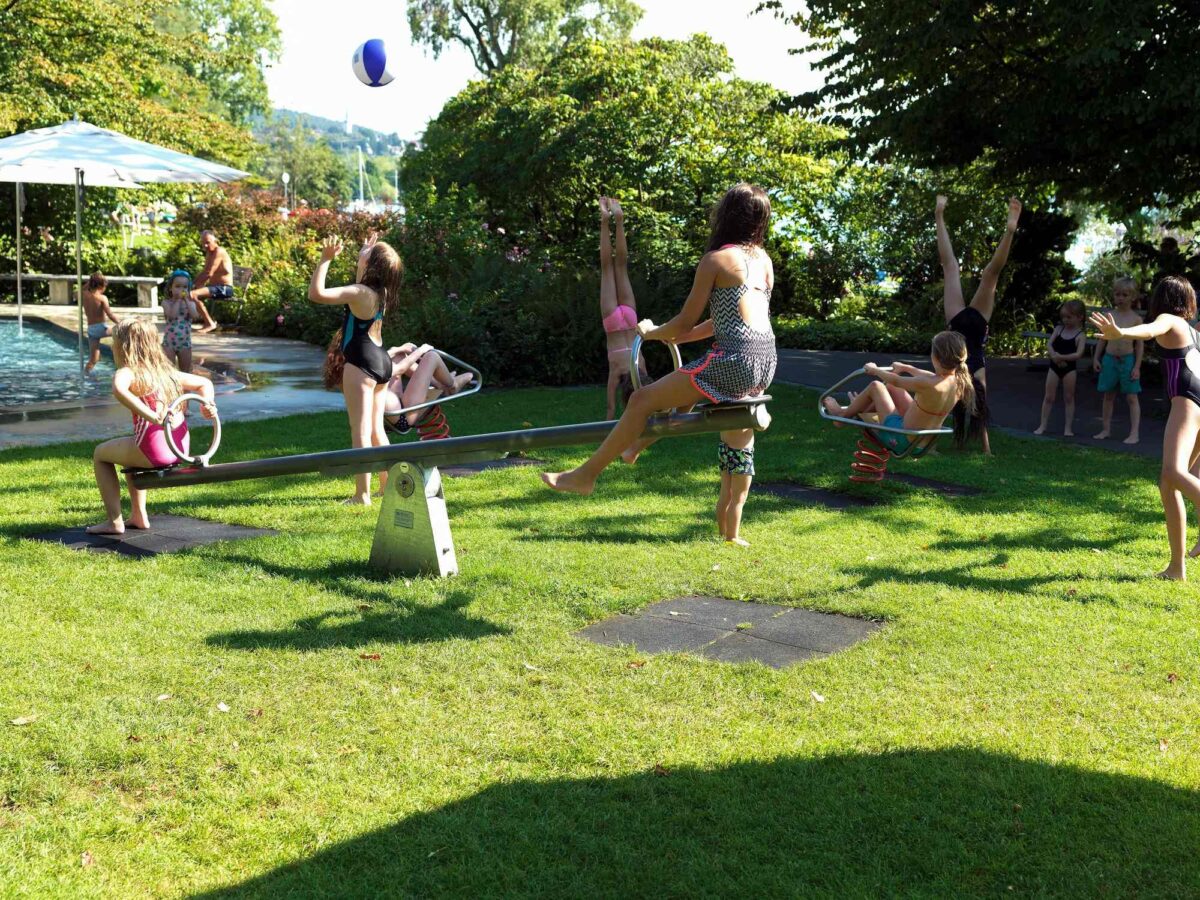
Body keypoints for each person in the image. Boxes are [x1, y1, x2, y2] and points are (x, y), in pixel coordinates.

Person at [543, 183, 777, 497]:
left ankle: (584, 476)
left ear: (726, 215)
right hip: (765, 364)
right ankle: (635, 447)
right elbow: (722, 321)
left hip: (734, 362)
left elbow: (682, 322)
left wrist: (652, 332)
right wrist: (679, 339)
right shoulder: (764, 262)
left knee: (641, 400)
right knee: (687, 393)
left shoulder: (716, 260)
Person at [1090, 276, 1200, 580]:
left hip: (1187, 402)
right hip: (1198, 403)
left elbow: (1150, 330)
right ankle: (1176, 568)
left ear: (1160, 301)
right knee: (1169, 484)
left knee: (1174, 473)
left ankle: (1178, 565)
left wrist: (1121, 331)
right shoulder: (1193, 331)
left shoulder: (1170, 319)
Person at [87, 319, 216, 535]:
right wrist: (207, 405)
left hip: (153, 449)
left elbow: (119, 389)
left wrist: (151, 416)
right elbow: (205, 383)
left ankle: (114, 522)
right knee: (127, 450)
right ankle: (138, 516)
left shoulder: (129, 372)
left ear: (123, 346)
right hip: (179, 448)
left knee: (100, 454)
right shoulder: (166, 372)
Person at [311, 232, 404, 505]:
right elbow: (362, 278)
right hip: (381, 362)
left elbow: (316, 294)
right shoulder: (380, 293)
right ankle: (387, 487)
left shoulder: (359, 292)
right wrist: (366, 253)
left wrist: (325, 260)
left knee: (360, 431)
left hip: (361, 365)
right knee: (377, 430)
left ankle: (361, 495)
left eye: (366, 256)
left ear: (372, 267)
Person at [936, 194, 1022, 454]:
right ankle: (1009, 231)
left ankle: (940, 216)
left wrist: (940, 215)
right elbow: (979, 406)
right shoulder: (969, 373)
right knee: (987, 274)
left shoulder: (954, 372)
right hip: (970, 332)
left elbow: (942, 407)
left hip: (961, 327)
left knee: (954, 268)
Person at [821, 331, 975, 456]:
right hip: (922, 443)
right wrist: (906, 367)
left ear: (935, 357)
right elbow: (927, 375)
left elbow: (896, 381)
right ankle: (855, 409)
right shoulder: (959, 382)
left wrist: (875, 370)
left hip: (902, 439)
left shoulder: (928, 384)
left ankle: (842, 416)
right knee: (892, 389)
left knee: (876, 386)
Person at [597, 197, 645, 419]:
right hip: (614, 326)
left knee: (621, 266)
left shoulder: (641, 369)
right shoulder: (617, 374)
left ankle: (618, 219)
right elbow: (609, 410)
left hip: (630, 320)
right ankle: (605, 221)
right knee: (607, 268)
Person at [1092, 276, 1143, 444]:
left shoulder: (1136, 319)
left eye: (1124, 295)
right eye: (1117, 294)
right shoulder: (1110, 316)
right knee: (1108, 396)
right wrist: (1096, 358)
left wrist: (1137, 366)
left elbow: (1139, 346)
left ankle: (1134, 433)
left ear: (1132, 297)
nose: (1120, 298)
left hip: (1127, 360)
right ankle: (1105, 429)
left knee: (1132, 397)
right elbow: (1102, 339)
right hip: (1109, 359)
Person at [1034, 299, 1087, 437]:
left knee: (1069, 398)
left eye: (1069, 317)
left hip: (1069, 369)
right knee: (1049, 397)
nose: (1065, 320)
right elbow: (1049, 344)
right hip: (1054, 367)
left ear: (1079, 317)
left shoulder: (1080, 335)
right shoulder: (1058, 329)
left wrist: (1061, 357)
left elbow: (1079, 354)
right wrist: (1054, 356)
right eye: (1063, 317)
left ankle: (1068, 428)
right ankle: (1042, 425)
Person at [190, 230, 233, 333]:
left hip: (224, 288)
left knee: (192, 294)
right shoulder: (209, 253)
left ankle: (210, 323)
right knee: (188, 294)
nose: (205, 245)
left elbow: (209, 273)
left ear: (215, 241)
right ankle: (201, 322)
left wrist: (192, 286)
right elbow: (204, 272)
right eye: (203, 243)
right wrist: (192, 285)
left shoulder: (219, 251)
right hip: (214, 288)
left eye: (208, 242)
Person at [82, 272, 120, 373]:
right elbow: (110, 314)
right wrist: (120, 323)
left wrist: (91, 280)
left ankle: (85, 374)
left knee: (94, 359)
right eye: (105, 286)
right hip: (101, 329)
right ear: (100, 286)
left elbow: (83, 288)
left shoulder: (85, 295)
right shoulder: (102, 298)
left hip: (91, 330)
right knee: (123, 330)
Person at [161, 269, 198, 373]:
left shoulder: (191, 304)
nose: (181, 290)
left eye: (185, 287)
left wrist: (186, 300)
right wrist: (177, 300)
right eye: (177, 286)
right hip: (169, 343)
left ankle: (185, 388)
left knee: (186, 370)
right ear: (170, 288)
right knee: (168, 370)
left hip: (185, 343)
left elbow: (195, 316)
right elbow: (172, 315)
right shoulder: (166, 302)